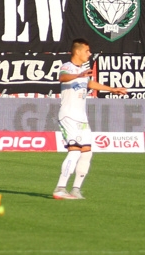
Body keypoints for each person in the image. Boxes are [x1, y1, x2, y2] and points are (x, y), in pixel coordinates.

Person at [53, 38, 127, 200]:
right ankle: (60, 188)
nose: (89, 53)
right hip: (69, 115)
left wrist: (112, 90)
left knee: (86, 153)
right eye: (87, 51)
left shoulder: (82, 70)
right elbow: (63, 77)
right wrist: (79, 74)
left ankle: (75, 190)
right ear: (78, 51)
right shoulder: (68, 67)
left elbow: (90, 84)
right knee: (74, 151)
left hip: (81, 117)